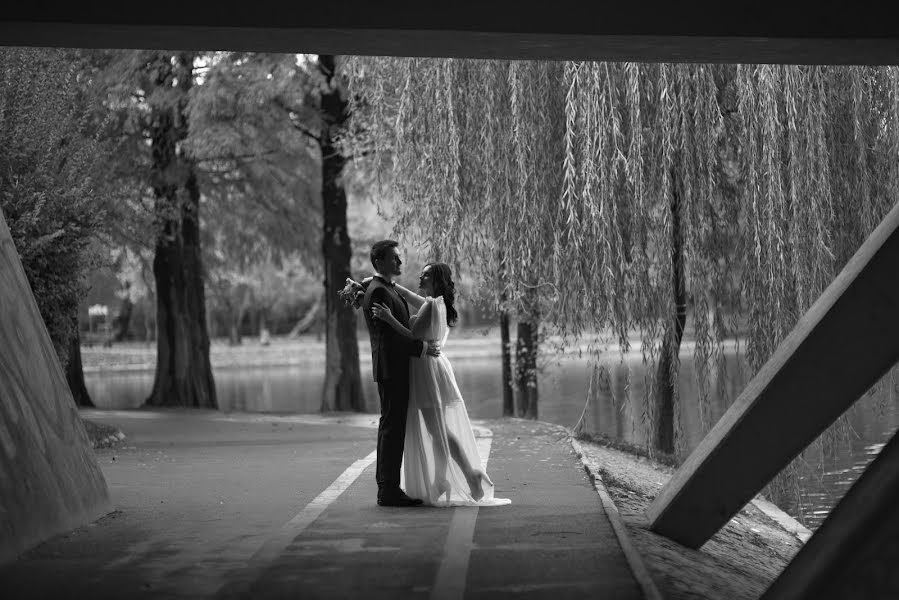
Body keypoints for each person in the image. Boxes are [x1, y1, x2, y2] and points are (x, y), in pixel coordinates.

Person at [364, 262, 511, 507]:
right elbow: (409, 295)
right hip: (431, 369)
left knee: (437, 429)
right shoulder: (436, 303)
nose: (420, 277)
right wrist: (383, 282)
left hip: (426, 371)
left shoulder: (431, 306)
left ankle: (471, 475)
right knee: (437, 428)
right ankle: (443, 479)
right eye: (421, 273)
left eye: (426, 275)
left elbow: (412, 336)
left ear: (436, 280)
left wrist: (389, 318)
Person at [357, 240, 441, 507]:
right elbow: (391, 338)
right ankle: (388, 489)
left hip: (394, 366)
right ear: (380, 261)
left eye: (399, 258)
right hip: (391, 366)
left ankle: (388, 486)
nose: (400, 263)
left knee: (392, 426)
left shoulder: (383, 288)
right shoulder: (379, 292)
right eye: (394, 258)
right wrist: (422, 348)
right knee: (392, 427)